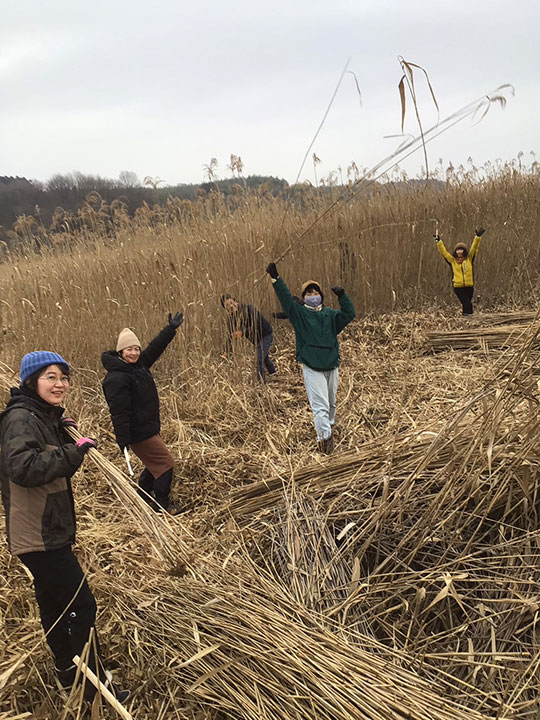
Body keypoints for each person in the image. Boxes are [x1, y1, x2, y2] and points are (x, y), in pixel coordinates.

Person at [0, 351, 128, 702]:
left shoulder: (37, 415)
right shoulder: (20, 418)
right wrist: (72, 453)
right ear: (31, 381)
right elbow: (22, 466)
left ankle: (68, 671)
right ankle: (94, 686)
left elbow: (39, 449)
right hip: (39, 532)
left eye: (63, 377)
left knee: (55, 603)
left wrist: (61, 429)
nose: (60, 384)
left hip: (42, 528)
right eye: (50, 377)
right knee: (81, 604)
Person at [265, 263, 356, 453]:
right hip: (312, 367)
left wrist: (343, 296)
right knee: (320, 406)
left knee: (331, 404)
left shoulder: (330, 315)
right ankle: (324, 442)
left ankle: (329, 430)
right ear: (304, 298)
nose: (312, 295)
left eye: (315, 292)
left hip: (331, 365)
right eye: (308, 293)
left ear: (321, 296)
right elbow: (287, 301)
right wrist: (276, 278)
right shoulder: (300, 314)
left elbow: (349, 314)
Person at [101, 312, 183, 513]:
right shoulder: (116, 378)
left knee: (152, 464)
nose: (134, 353)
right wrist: (123, 438)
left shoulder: (138, 367)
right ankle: (162, 507)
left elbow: (155, 349)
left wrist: (170, 330)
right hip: (138, 432)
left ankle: (140, 499)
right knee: (165, 465)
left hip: (149, 427)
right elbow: (119, 411)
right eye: (129, 349)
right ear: (120, 351)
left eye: (136, 349)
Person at [220, 295, 276, 383]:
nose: (231, 306)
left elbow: (257, 324)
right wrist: (226, 351)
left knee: (259, 359)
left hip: (266, 334)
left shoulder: (248, 309)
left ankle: (261, 383)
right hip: (255, 339)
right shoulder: (231, 319)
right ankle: (273, 373)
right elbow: (230, 336)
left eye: (231, 303)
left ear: (235, 301)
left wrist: (242, 332)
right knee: (264, 357)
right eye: (227, 306)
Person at [435, 227, 486, 315]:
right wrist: (439, 242)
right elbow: (444, 253)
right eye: (458, 250)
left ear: (464, 251)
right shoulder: (452, 261)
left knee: (466, 304)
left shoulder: (469, 259)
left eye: (461, 249)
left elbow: (474, 248)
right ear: (455, 251)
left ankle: (466, 319)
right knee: (467, 303)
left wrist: (477, 237)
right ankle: (469, 318)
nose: (459, 251)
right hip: (458, 286)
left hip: (469, 285)